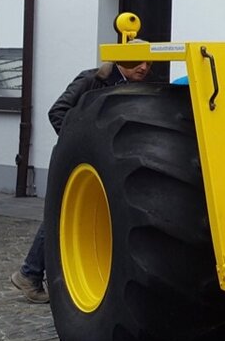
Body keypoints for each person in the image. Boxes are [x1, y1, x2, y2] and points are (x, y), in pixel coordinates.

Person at [10, 52, 152, 304]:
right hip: (83, 162)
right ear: (122, 59)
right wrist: (82, 144)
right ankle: (30, 274)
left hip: (112, 165)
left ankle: (35, 275)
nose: (144, 67)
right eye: (138, 61)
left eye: (148, 63)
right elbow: (58, 111)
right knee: (61, 216)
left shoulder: (138, 87)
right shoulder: (91, 80)